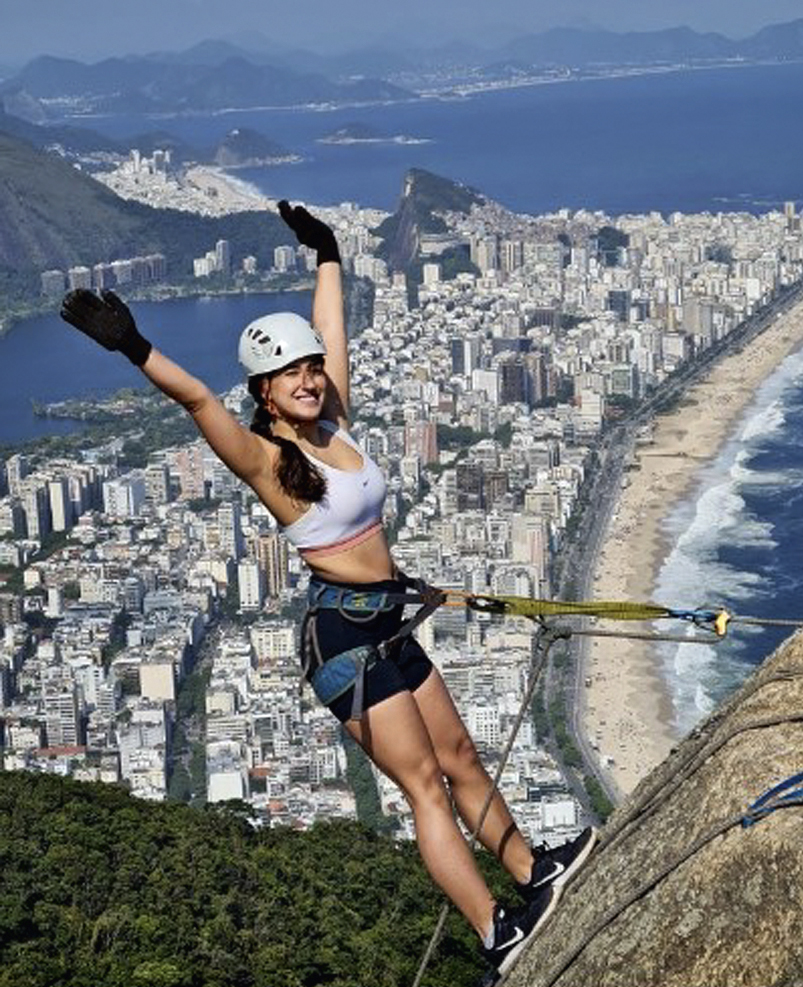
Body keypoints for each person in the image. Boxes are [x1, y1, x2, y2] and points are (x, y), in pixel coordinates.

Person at [60, 201, 596, 981]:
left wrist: (330, 255)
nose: (309, 379)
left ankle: (533, 871)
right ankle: (494, 932)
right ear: (265, 393)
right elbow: (200, 402)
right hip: (341, 641)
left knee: (462, 758)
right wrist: (136, 345)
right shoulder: (266, 461)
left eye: (311, 369)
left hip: (388, 619)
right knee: (425, 789)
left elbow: (332, 331)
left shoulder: (332, 420)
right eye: (291, 375)